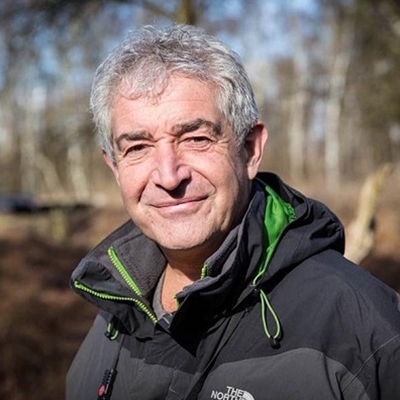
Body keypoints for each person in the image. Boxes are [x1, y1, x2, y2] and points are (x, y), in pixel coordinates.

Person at [67, 24, 400, 400]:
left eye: (196, 139)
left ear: (250, 149)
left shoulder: (364, 333)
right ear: (115, 167)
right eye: (138, 147)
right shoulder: (114, 315)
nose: (168, 176)